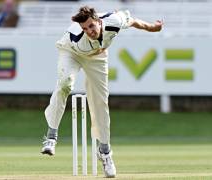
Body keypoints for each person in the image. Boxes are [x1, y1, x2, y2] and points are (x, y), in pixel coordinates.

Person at [41, 6, 163, 178]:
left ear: (99, 21)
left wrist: (152, 27)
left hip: (97, 58)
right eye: (85, 28)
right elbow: (82, 45)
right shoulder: (77, 37)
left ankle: (105, 152)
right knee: (65, 84)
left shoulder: (115, 21)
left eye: (91, 26)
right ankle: (51, 136)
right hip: (71, 53)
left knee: (100, 101)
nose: (89, 31)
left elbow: (134, 21)